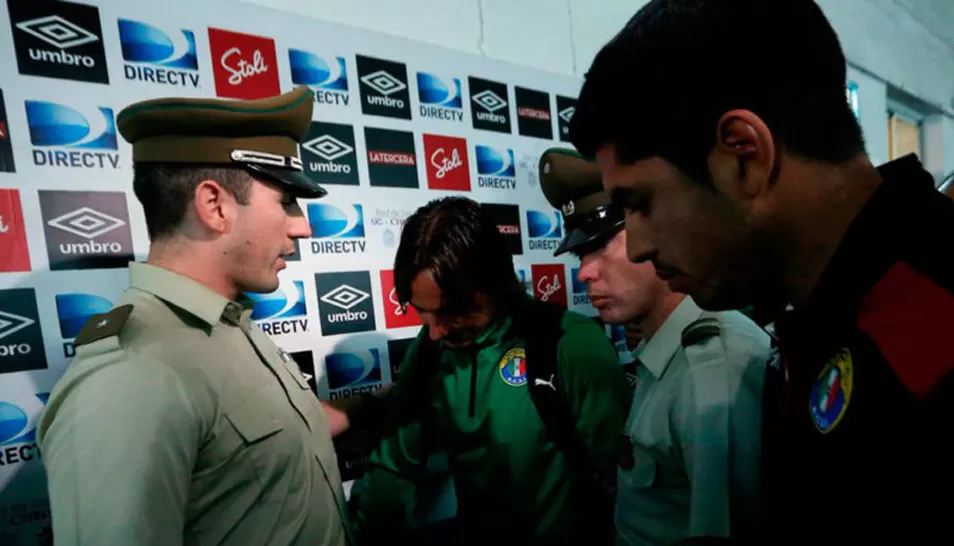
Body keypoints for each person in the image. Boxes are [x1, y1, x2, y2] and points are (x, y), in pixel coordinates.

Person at [568, 0, 954, 543]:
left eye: (643, 203)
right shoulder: (827, 314)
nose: (638, 248)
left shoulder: (932, 332)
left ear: (743, 155)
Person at [36, 86, 351, 546]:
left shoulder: (227, 323)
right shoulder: (130, 375)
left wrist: (386, 403)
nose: (302, 225)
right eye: (286, 200)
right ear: (215, 206)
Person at [347, 196, 630, 545]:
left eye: (452, 311)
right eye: (422, 312)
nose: (435, 331)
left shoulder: (570, 344)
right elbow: (393, 465)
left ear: (493, 285)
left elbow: (627, 487)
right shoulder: (432, 347)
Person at [539, 147, 771, 545]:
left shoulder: (711, 370)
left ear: (655, 231)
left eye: (600, 245)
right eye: (580, 253)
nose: (583, 273)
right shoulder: (664, 350)